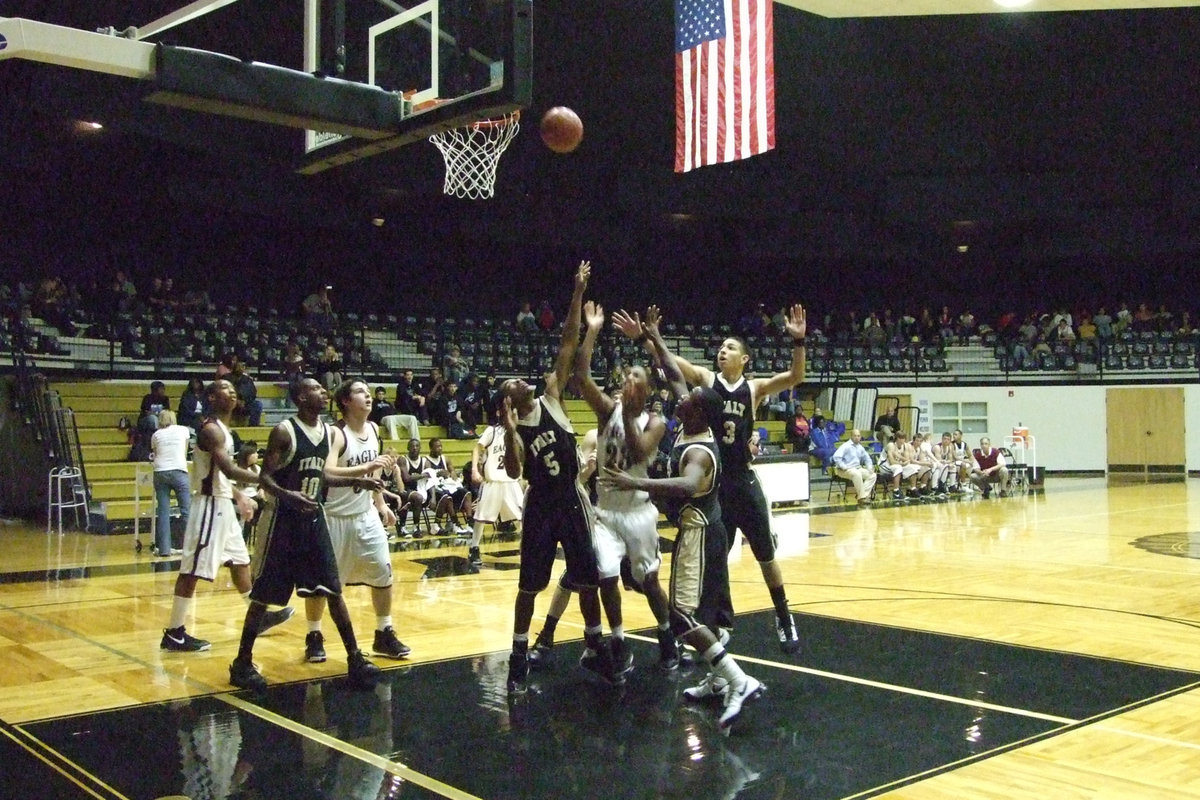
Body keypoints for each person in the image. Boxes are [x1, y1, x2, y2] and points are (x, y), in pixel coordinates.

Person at [601, 307, 765, 732]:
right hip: (709, 530)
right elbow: (675, 374)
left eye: (688, 401)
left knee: (682, 617)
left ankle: (737, 681)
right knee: (707, 616)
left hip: (699, 535)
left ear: (698, 413)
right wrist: (651, 336)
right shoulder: (694, 417)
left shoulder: (698, 451)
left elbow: (688, 484)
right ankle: (717, 680)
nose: (681, 399)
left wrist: (635, 483)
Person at [622, 303, 808, 654]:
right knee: (716, 563)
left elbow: (795, 377)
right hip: (714, 484)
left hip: (743, 482)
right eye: (721, 347)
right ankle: (717, 626)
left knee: (766, 555)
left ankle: (784, 616)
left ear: (745, 359)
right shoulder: (707, 381)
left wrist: (798, 342)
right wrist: (645, 338)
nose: (723, 350)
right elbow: (672, 364)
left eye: (730, 347)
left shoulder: (754, 388)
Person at [500, 260, 620, 694]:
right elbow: (515, 472)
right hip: (540, 505)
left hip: (571, 498)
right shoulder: (514, 430)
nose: (521, 381)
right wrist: (510, 433)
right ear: (508, 401)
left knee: (587, 578)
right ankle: (518, 654)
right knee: (529, 586)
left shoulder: (552, 394)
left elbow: (568, 341)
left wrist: (577, 291)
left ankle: (595, 645)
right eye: (513, 383)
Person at [228, 378, 383, 692]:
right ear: (300, 397)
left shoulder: (327, 431)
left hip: (313, 518)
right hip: (282, 522)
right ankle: (242, 662)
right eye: (316, 389)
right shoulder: (284, 431)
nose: (323, 393)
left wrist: (359, 481)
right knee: (263, 597)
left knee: (333, 589)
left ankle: (355, 658)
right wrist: (288, 495)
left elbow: (321, 475)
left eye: (324, 390)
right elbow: (265, 478)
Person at [569, 299, 679, 672]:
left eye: (636, 378)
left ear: (646, 391)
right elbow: (581, 377)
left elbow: (639, 452)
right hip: (606, 512)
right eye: (626, 377)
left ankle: (666, 633)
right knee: (605, 575)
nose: (628, 381)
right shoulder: (607, 411)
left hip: (638, 513)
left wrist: (631, 417)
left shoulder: (655, 423)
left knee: (649, 581)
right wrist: (592, 331)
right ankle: (617, 639)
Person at [159, 379, 292, 653]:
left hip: (222, 504)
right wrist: (267, 479)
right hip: (209, 507)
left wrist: (240, 495)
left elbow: (221, 476)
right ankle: (174, 632)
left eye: (233, 389)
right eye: (225, 389)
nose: (232, 392)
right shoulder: (211, 430)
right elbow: (229, 470)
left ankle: (258, 616)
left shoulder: (223, 430)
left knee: (240, 561)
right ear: (211, 397)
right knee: (192, 570)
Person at [304, 380, 411, 663]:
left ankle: (384, 632)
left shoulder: (374, 429)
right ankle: (314, 634)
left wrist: (380, 504)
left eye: (368, 392)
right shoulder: (336, 433)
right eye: (361, 392)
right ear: (345, 401)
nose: (368, 395)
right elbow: (326, 472)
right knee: (323, 582)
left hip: (365, 514)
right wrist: (366, 468)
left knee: (383, 572)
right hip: (334, 517)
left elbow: (374, 474)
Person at [466, 396, 524, 568]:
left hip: (511, 482)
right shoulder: (492, 431)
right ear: (500, 413)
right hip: (493, 482)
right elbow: (477, 448)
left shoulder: (516, 433)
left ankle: (528, 548)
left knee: (524, 516)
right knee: (481, 517)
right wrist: (475, 470)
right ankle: (474, 548)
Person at [150, 409, 191, 557]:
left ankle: (164, 549)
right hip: (179, 470)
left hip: (160, 471)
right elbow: (184, 452)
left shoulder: (156, 435)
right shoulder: (183, 430)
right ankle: (190, 547)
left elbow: (156, 454)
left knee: (163, 511)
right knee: (186, 510)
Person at [830, 428, 876, 506]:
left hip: (857, 468)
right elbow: (836, 457)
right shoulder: (846, 446)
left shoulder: (860, 447)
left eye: (858, 436)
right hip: (845, 470)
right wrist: (844, 466)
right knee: (857, 473)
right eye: (855, 436)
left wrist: (869, 468)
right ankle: (862, 498)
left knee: (872, 475)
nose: (857, 437)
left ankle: (861, 495)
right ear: (851, 436)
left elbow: (867, 458)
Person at [229, 357, 264, 427]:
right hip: (231, 403)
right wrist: (236, 401)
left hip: (245, 404)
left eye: (242, 366)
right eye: (238, 366)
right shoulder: (227, 378)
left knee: (258, 404)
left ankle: (253, 425)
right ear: (234, 367)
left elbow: (253, 393)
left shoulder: (248, 380)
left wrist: (245, 401)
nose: (240, 368)